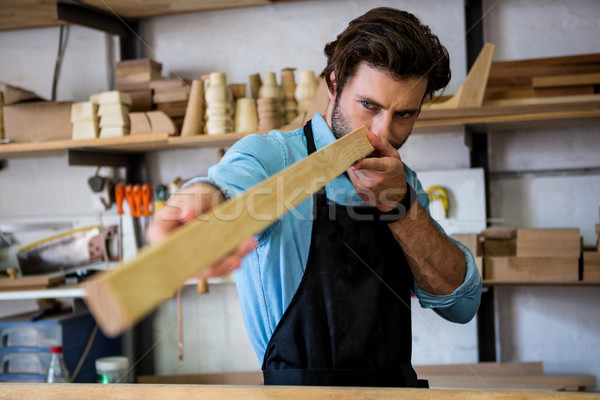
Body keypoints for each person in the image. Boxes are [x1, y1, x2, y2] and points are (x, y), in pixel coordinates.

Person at [148, 7, 482, 388]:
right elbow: (224, 189)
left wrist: (402, 208)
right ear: (335, 84)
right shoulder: (272, 158)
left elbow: (462, 305)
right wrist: (201, 202)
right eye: (369, 106)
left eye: (404, 114)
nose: (382, 132)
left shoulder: (402, 181)